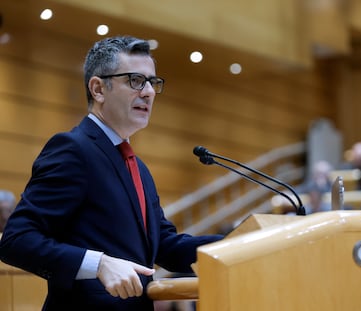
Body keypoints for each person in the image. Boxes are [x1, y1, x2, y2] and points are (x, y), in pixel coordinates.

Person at [0, 36, 223, 310]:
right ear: (98, 89)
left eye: (152, 82)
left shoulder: (136, 167)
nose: (149, 92)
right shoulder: (73, 149)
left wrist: (240, 242)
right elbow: (17, 241)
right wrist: (99, 264)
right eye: (135, 80)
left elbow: (164, 245)